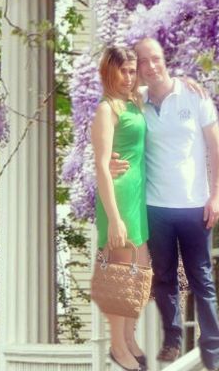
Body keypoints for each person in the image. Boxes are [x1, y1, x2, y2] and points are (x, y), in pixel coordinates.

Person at [111, 37, 219, 371]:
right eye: (143, 62)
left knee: (201, 276)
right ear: (138, 69)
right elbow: (119, 142)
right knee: (163, 276)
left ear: (165, 60)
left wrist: (215, 194)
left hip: (194, 205)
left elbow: (215, 148)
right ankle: (173, 336)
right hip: (156, 206)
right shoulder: (136, 103)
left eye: (156, 58)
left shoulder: (194, 95)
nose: (151, 66)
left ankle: (213, 345)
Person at [91, 46, 149, 371]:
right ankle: (117, 345)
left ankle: (128, 336)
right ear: (109, 72)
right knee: (120, 274)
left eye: (132, 71)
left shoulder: (134, 104)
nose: (128, 77)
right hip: (120, 195)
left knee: (138, 272)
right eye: (123, 71)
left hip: (138, 195)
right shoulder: (107, 109)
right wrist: (113, 217)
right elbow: (102, 165)